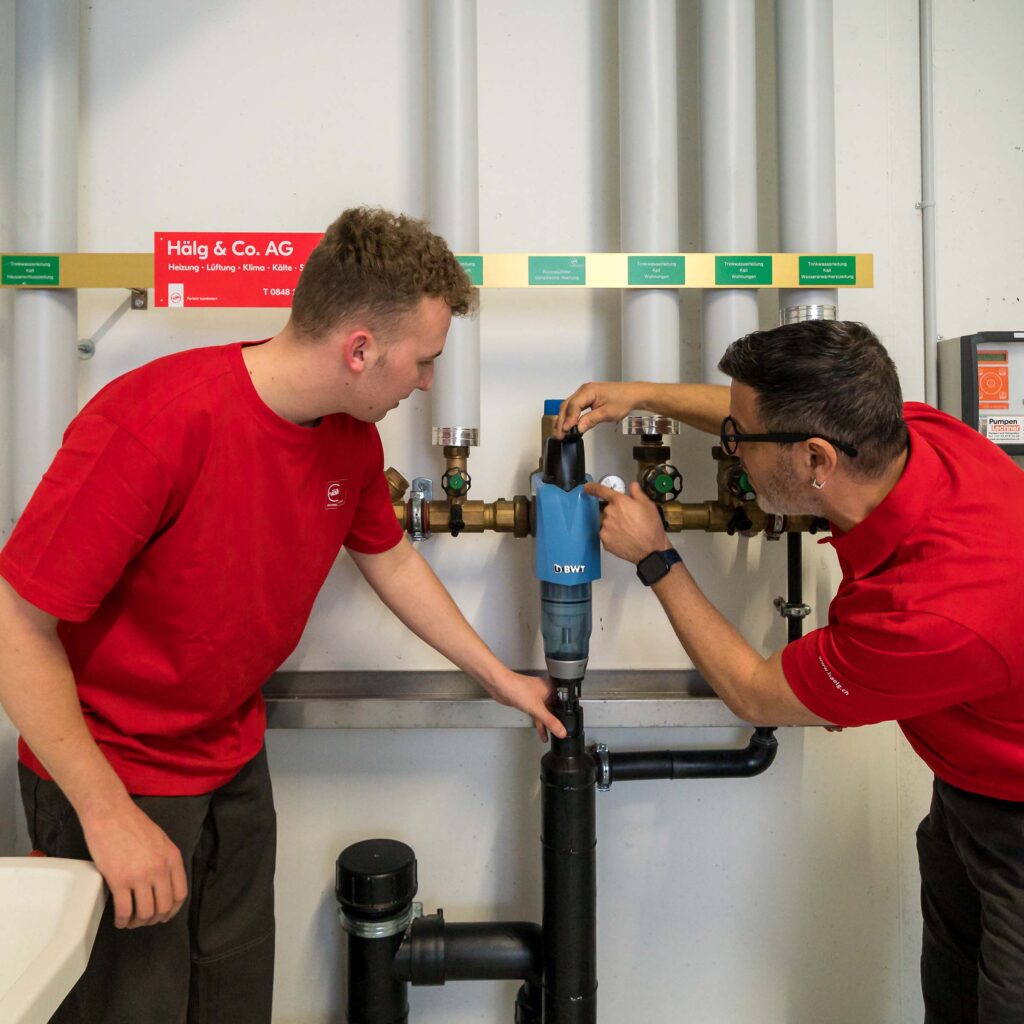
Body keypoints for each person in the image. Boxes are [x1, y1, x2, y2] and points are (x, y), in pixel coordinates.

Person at [0, 206, 564, 1024]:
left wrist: (501, 678)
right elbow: (18, 627)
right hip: (115, 770)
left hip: (230, 761)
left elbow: (392, 561)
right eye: (424, 360)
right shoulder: (156, 422)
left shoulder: (350, 441)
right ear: (359, 347)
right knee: (131, 1009)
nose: (428, 382)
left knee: (233, 1003)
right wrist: (107, 814)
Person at [556, 319, 1024, 1024]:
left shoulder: (933, 613)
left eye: (740, 439)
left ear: (815, 461)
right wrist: (639, 393)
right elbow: (769, 414)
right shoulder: (913, 436)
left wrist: (657, 558)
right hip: (969, 790)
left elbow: (754, 692)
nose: (729, 448)